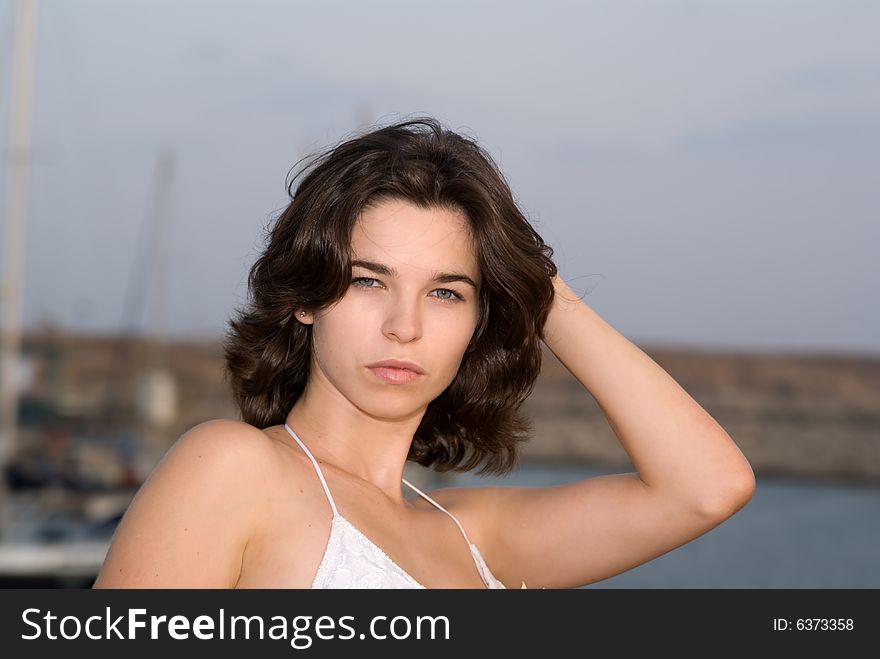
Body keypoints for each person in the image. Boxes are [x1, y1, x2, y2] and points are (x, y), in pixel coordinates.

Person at [93, 117, 755, 589]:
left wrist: (530, 280)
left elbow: (708, 487)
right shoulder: (234, 470)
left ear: (478, 321)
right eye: (368, 280)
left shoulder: (473, 535)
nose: (403, 326)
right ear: (306, 296)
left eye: (445, 291)